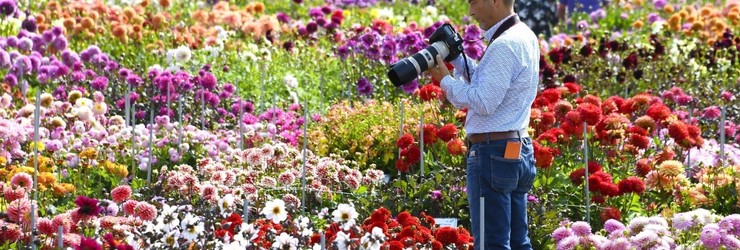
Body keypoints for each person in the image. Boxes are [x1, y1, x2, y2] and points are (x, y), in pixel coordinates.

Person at [429, 0, 538, 249]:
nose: (471, 12)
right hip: (515, 148)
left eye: (474, 2)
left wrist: (445, 81)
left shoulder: (504, 44)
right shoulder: (523, 34)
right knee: (518, 241)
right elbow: (491, 83)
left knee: (491, 243)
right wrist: (457, 60)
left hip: (493, 152)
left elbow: (484, 101)